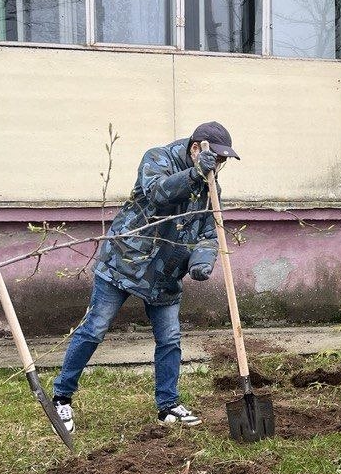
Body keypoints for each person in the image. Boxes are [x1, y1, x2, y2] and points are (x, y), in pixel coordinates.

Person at [51, 123, 239, 432]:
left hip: (165, 272)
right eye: (215, 158)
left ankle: (168, 405)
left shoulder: (211, 187)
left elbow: (208, 233)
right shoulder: (158, 158)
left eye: (222, 161)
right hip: (126, 261)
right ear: (196, 149)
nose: (218, 166)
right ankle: (61, 397)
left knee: (170, 339)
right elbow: (158, 194)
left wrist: (202, 261)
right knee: (95, 328)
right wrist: (194, 174)